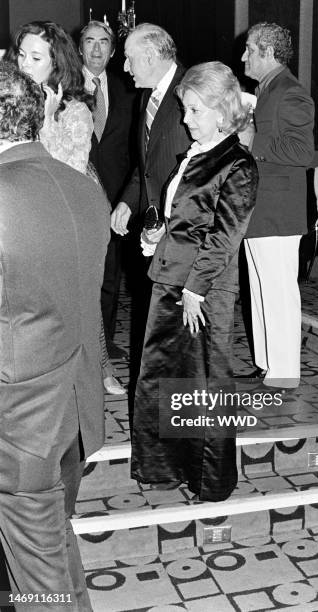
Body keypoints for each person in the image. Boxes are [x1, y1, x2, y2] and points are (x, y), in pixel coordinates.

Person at [0, 62, 109, 610]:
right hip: (70, 412)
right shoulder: (83, 186)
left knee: (43, 586)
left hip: (18, 426)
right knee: (54, 556)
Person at [130, 61, 258, 502]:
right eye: (185, 110)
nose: (185, 120)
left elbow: (224, 237)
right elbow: (183, 220)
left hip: (203, 291)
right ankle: (170, 466)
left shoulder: (236, 163)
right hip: (171, 280)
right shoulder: (197, 155)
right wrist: (157, 234)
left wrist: (194, 290)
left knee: (205, 383)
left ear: (222, 112)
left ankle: (210, 479)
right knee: (169, 378)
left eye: (194, 111)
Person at [7, 20, 124, 393]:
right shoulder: (10, 96)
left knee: (81, 301)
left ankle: (98, 372)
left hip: (68, 217)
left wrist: (44, 121)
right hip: (23, 214)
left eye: (36, 57)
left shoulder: (74, 108)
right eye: (22, 54)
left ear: (55, 63)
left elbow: (68, 176)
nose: (25, 64)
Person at [110, 23, 191, 394]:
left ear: (150, 56)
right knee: (159, 315)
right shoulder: (147, 96)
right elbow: (146, 165)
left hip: (185, 229)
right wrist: (129, 200)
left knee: (181, 324)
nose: (125, 67)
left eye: (128, 58)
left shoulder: (193, 90)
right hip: (153, 229)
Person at [240, 22, 315, 389]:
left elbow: (302, 152)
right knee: (260, 287)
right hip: (260, 208)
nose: (244, 56)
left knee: (279, 292)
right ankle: (268, 364)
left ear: (268, 52)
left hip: (279, 212)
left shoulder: (290, 92)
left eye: (250, 50)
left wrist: (254, 139)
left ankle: (284, 372)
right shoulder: (265, 90)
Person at [80, 20, 135, 361]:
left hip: (114, 197)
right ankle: (81, 339)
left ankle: (106, 338)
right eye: (90, 42)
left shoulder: (126, 90)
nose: (97, 49)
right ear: (79, 48)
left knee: (110, 273)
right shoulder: (64, 88)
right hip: (77, 193)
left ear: (113, 51)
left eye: (104, 42)